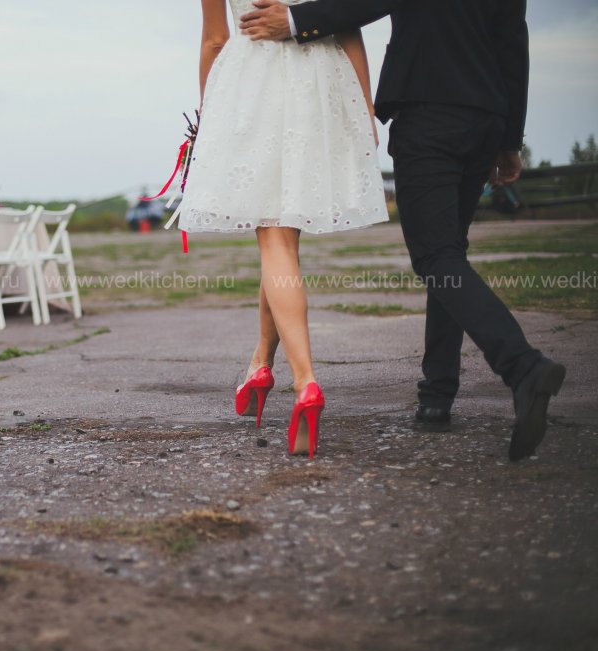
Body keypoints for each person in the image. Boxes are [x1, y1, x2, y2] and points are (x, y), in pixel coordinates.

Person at [239, 0, 565, 461]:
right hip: (486, 117)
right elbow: (514, 43)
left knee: (436, 256)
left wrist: (294, 19)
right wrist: (511, 139)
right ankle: (437, 395)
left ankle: (523, 367)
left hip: (428, 111)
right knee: (449, 256)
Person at [180, 0, 389, 458]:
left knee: (275, 242)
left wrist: (208, 117)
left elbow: (215, 39)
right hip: (319, 81)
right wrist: (365, 107)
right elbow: (347, 24)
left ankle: (305, 382)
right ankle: (260, 362)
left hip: (252, 85)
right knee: (281, 243)